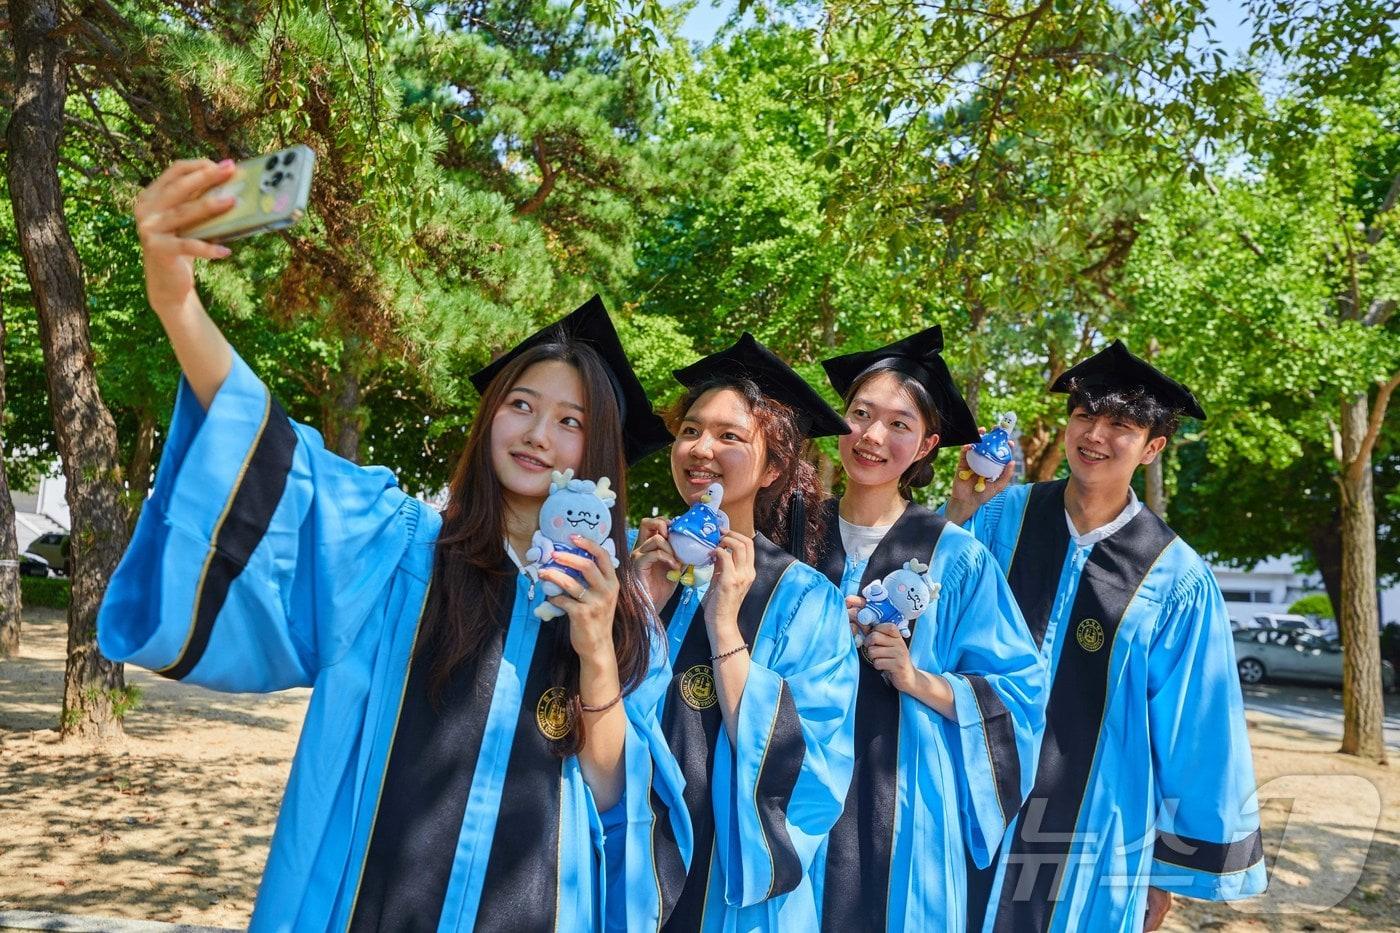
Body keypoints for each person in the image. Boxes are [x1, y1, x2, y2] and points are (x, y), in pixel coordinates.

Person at [97, 159, 690, 932]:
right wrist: (177, 302)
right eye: (521, 404)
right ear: (490, 420)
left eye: (571, 421)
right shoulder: (400, 547)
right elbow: (279, 453)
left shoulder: (625, 614)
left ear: (599, 453)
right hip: (367, 901)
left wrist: (596, 649)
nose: (539, 434)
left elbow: (619, 803)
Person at [946, 341, 1268, 932]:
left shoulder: (1175, 576)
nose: (1094, 434)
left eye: (1119, 424)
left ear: (1153, 448)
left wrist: (1165, 871)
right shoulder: (1001, 519)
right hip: (971, 796)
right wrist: (957, 513)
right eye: (1083, 416)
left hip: (1093, 825)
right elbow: (933, 621)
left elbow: (1195, 730)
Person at [809, 326, 1046, 932]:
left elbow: (1020, 692)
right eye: (860, 415)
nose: (871, 436)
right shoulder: (793, 537)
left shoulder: (956, 557)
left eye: (898, 424)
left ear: (926, 446)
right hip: (795, 791)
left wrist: (915, 678)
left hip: (904, 804)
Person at [629, 333, 859, 931]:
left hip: (731, 898)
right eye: (690, 431)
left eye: (730, 437)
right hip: (620, 872)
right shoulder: (635, 563)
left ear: (774, 466)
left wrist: (725, 624)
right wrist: (634, 608)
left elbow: (813, 769)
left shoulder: (807, 598)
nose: (701, 449)